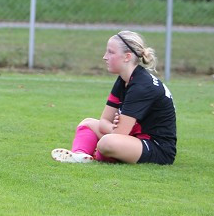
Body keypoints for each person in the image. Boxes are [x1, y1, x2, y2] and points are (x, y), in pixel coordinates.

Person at [51, 31, 177, 165]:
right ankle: (79, 156)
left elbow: (120, 134)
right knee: (87, 123)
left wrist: (115, 129)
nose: (105, 57)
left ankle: (97, 154)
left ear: (127, 57)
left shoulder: (141, 86)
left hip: (157, 148)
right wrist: (114, 127)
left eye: (111, 52)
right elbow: (104, 121)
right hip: (133, 139)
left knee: (107, 143)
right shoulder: (124, 79)